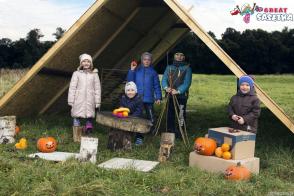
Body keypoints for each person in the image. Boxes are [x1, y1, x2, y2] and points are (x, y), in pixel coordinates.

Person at [127, 52, 162, 134]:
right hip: (138, 98)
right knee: (137, 115)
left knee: (151, 116)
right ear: (142, 60)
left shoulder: (153, 72)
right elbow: (130, 81)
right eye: (145, 59)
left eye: (148, 60)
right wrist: (132, 70)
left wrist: (158, 97)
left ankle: (152, 132)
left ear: (151, 61)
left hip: (149, 99)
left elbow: (157, 85)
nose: (146, 61)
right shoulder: (137, 70)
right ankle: (136, 132)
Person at [68, 53, 101, 134]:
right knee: (76, 114)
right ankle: (76, 131)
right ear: (81, 63)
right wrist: (71, 100)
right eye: (84, 61)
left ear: (91, 64)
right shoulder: (76, 74)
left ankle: (88, 129)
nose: (86, 63)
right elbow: (72, 87)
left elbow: (97, 89)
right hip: (78, 99)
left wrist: (97, 101)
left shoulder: (94, 74)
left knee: (89, 114)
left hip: (90, 98)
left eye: (88, 61)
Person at [161, 52, 192, 138]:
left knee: (181, 113)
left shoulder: (187, 68)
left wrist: (178, 90)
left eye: (181, 55)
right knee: (169, 113)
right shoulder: (169, 67)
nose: (179, 56)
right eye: (177, 54)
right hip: (170, 95)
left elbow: (187, 82)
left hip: (181, 96)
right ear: (174, 56)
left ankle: (181, 131)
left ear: (184, 57)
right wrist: (166, 87)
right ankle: (170, 130)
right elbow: (164, 79)